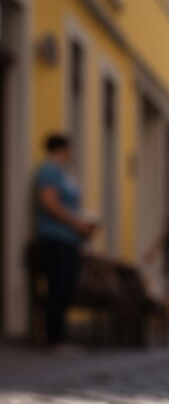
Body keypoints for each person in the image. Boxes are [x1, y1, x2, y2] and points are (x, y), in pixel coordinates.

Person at [34, 134, 96, 347]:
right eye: (69, 149)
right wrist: (77, 224)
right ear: (61, 148)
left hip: (69, 241)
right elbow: (49, 203)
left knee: (65, 288)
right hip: (55, 239)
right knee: (57, 288)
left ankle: (59, 337)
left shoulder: (63, 173)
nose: (72, 154)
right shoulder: (49, 171)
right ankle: (54, 339)